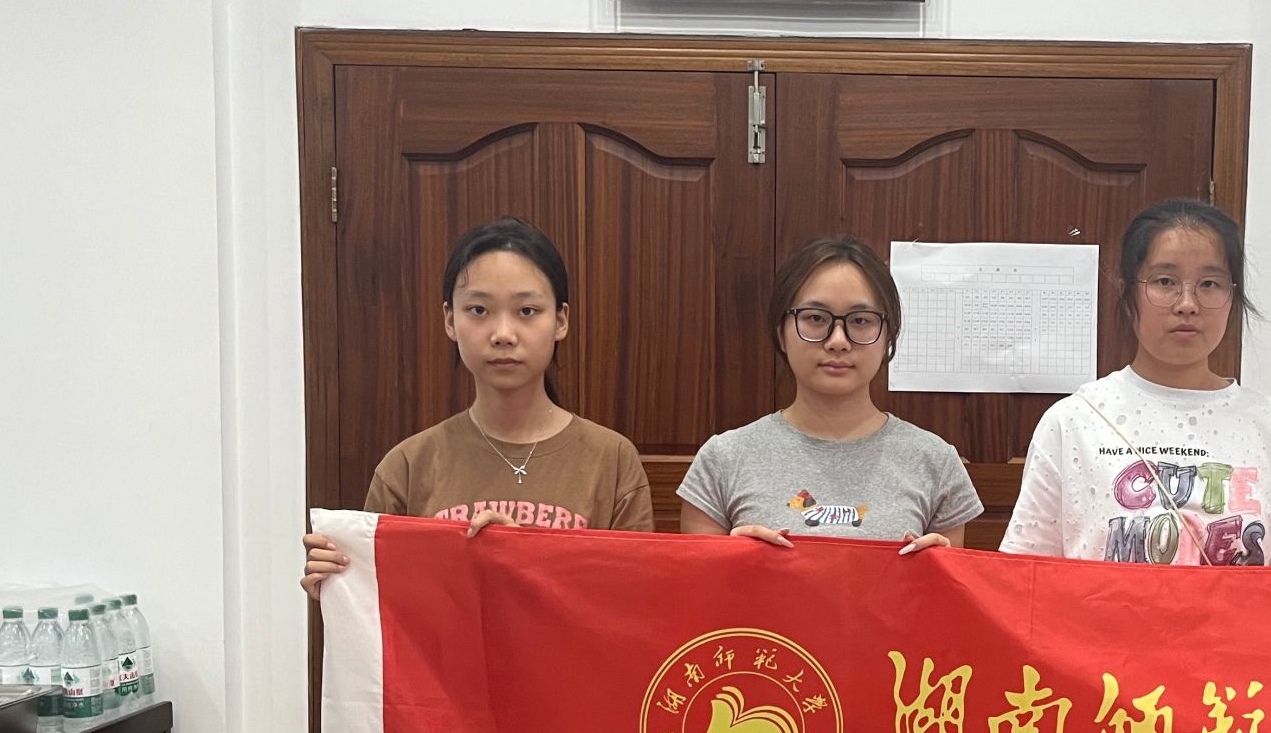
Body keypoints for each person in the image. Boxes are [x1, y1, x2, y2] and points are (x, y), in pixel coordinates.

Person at [300, 217, 653, 595]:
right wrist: (341, 585)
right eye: (479, 310)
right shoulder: (408, 467)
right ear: (451, 320)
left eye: (527, 311)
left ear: (560, 321)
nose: (503, 334)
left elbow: (633, 601)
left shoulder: (612, 460)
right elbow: (385, 604)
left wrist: (527, 558)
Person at [999, 199, 1271, 566]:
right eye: (1164, 281)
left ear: (1232, 298)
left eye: (1209, 283)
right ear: (1129, 295)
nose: (1187, 303)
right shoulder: (1074, 421)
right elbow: (1023, 575)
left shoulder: (1270, 424)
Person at [676, 235, 981, 552]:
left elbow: (946, 583)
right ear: (781, 332)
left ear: (888, 336)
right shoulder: (723, 460)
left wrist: (938, 570)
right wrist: (728, 561)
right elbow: (697, 583)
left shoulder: (935, 462)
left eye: (860, 320)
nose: (838, 341)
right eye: (815, 318)